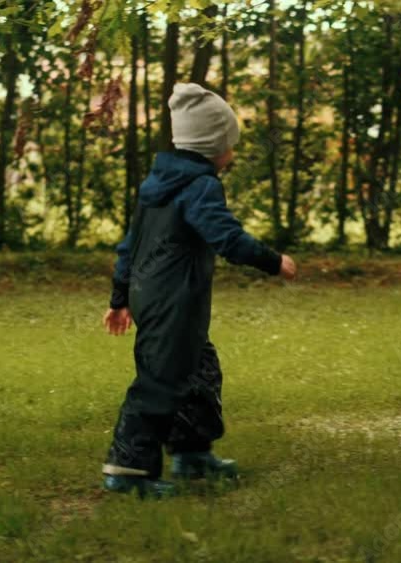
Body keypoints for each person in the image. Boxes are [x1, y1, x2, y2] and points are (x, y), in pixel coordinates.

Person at [100, 82, 297, 498]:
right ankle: (128, 470)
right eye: (230, 144)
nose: (233, 152)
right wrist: (273, 261)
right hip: (171, 302)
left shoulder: (157, 185)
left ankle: (191, 452)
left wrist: (121, 298)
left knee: (199, 370)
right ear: (214, 146)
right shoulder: (200, 186)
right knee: (160, 380)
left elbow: (129, 245)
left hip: (155, 297)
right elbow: (226, 237)